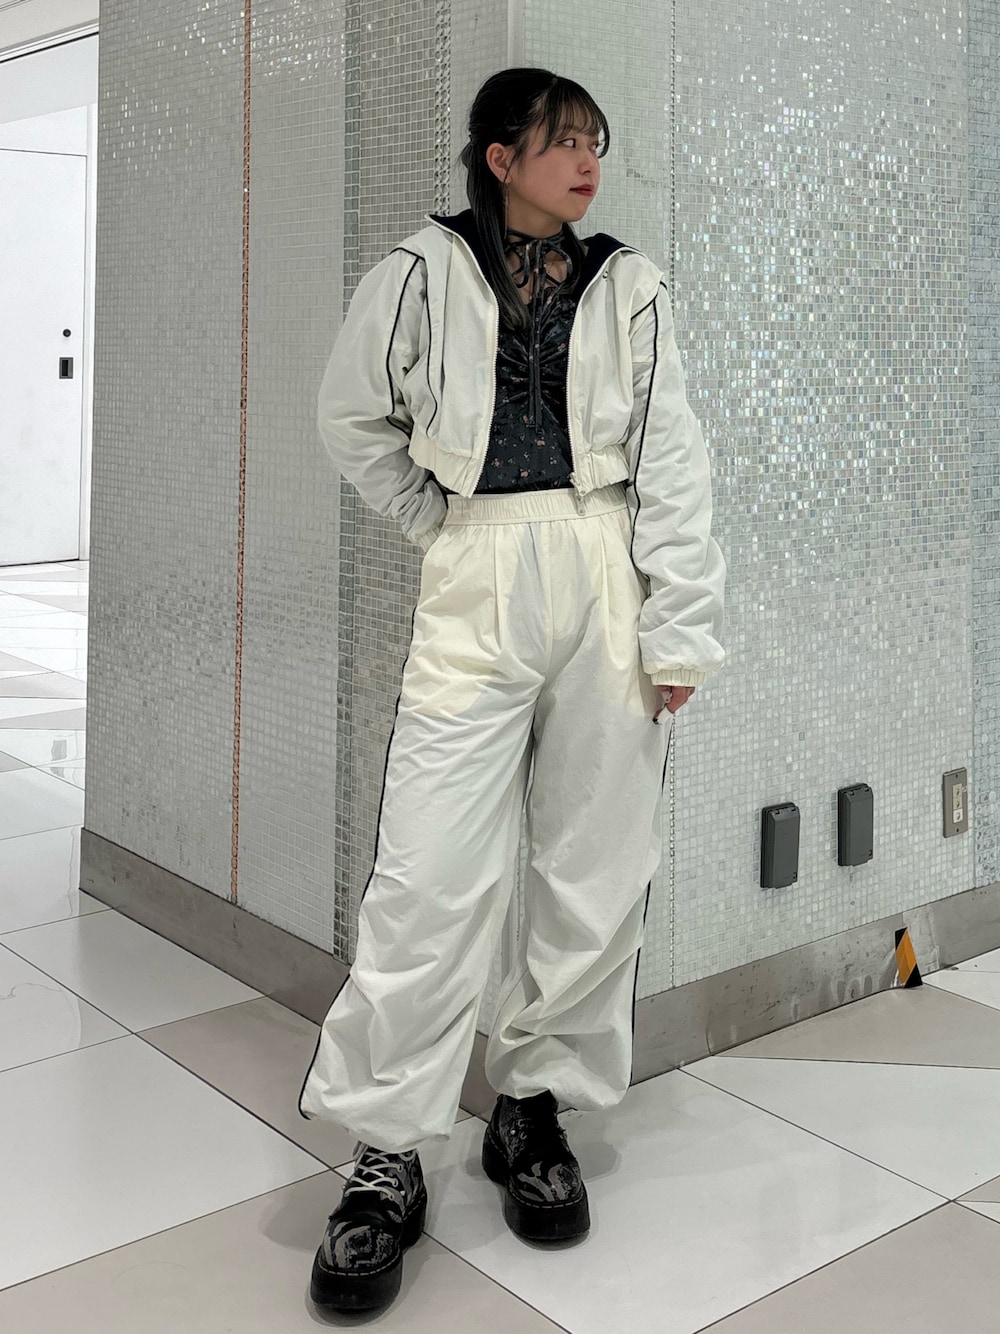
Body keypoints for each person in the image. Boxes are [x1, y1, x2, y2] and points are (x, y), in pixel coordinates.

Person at [297, 66, 726, 1312]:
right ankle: (387, 1149)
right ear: (499, 156)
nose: (587, 162)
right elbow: (349, 416)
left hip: (603, 567)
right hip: (477, 564)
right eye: (562, 141)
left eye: (596, 142)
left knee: (595, 863)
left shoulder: (629, 285)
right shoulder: (421, 270)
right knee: (429, 870)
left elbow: (675, 462)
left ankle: (531, 1103)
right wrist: (434, 518)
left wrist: (678, 629)